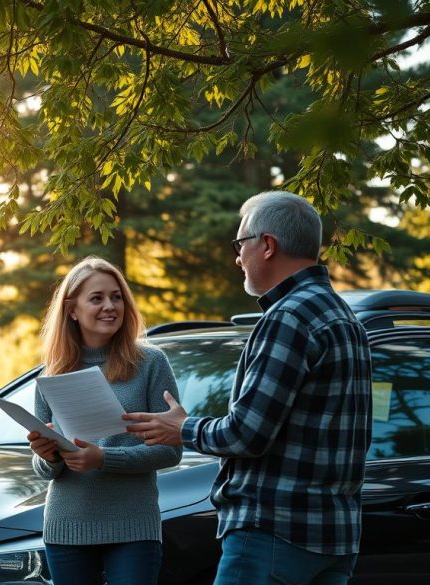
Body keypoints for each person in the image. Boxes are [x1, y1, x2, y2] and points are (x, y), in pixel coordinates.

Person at [124, 191, 372, 585]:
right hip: (334, 539)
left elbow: (247, 434)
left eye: (241, 244)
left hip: (273, 534)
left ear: (268, 246)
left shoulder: (288, 316)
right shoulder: (344, 317)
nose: (238, 257)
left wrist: (182, 427)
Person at [27, 256, 182, 585]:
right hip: (66, 527)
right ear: (72, 310)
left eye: (116, 297)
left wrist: (103, 458)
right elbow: (45, 470)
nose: (110, 306)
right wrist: (47, 454)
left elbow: (171, 452)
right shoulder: (52, 373)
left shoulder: (151, 363)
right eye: (96, 298)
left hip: (133, 527)